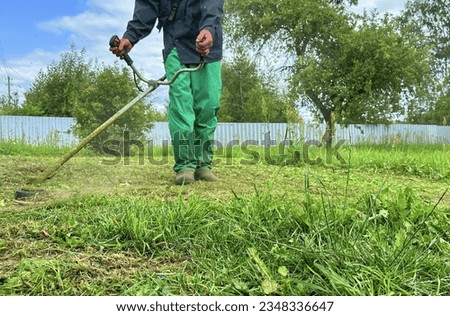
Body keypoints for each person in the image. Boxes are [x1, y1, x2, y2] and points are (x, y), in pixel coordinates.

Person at [111, 0, 224, 185]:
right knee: (182, 103)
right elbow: (146, 7)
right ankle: (186, 165)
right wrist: (130, 37)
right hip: (176, 43)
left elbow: (212, 5)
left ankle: (203, 164)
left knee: (208, 105)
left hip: (208, 41)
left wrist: (210, 28)